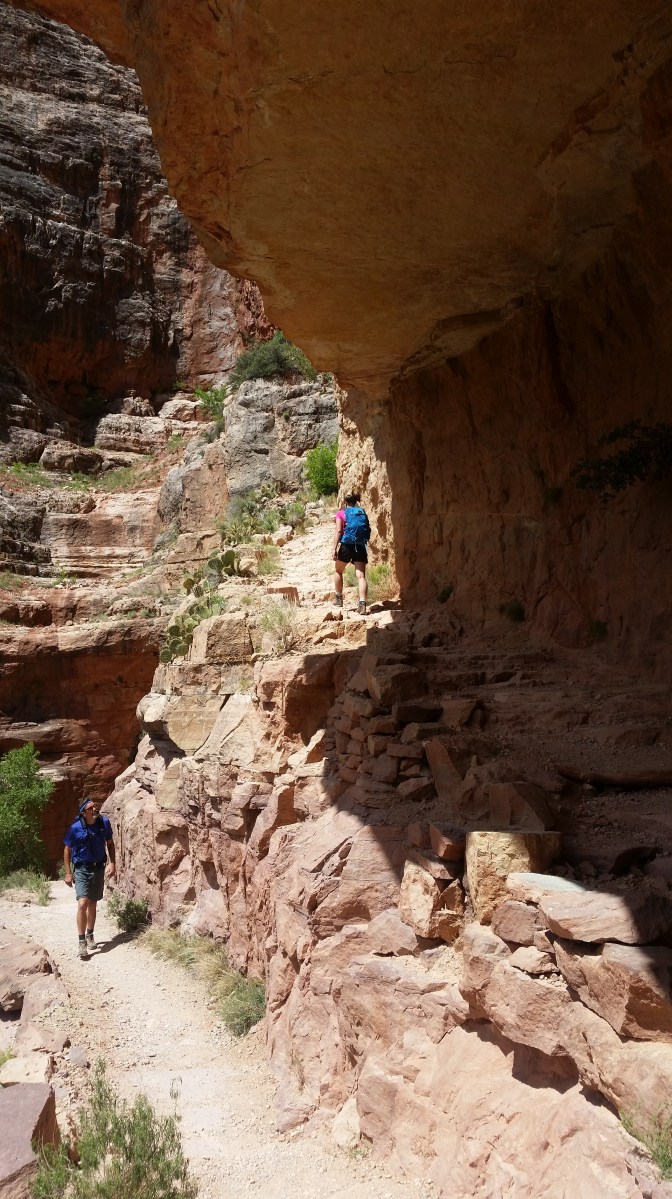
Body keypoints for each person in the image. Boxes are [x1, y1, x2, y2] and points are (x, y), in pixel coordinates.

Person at [63, 798, 116, 959]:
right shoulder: (75, 828)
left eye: (95, 806)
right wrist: (68, 872)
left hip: (98, 867)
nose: (95, 809)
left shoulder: (104, 823)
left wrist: (112, 863)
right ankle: (81, 941)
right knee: (82, 903)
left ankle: (90, 934)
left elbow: (110, 843)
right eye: (91, 808)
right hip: (82, 869)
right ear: (83, 813)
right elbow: (67, 849)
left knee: (93, 903)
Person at [333, 491, 371, 615]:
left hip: (346, 546)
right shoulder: (361, 512)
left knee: (338, 570)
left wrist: (334, 548)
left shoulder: (341, 513)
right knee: (361, 576)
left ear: (345, 502)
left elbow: (339, 531)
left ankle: (338, 599)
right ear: (356, 501)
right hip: (360, 545)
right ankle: (362, 604)